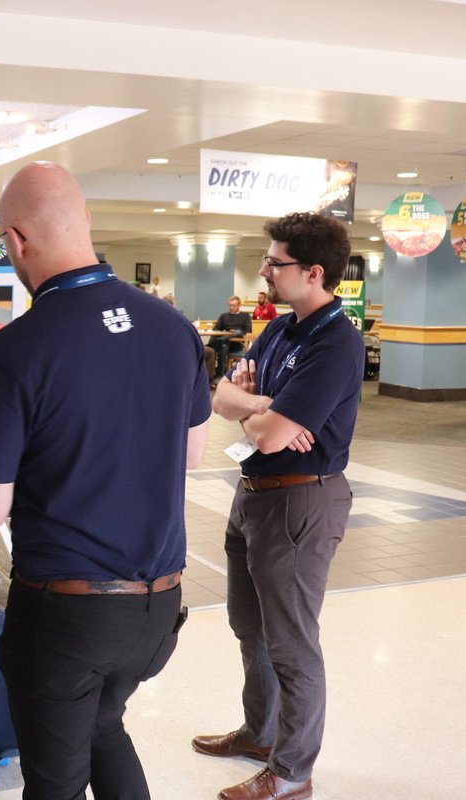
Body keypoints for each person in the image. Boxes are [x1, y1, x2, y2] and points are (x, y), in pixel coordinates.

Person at [0, 161, 210, 799]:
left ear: (15, 239)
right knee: (103, 729)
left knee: (55, 783)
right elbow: (194, 454)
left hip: (68, 613)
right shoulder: (173, 328)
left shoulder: (13, 352)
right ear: (86, 221)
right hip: (156, 606)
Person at [193, 212, 363, 800]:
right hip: (253, 496)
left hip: (300, 502)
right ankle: (259, 734)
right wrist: (268, 404)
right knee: (250, 628)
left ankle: (292, 772)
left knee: (291, 644)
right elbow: (222, 396)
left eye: (275, 262)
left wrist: (263, 413)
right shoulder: (280, 329)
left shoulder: (337, 342)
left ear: (314, 272)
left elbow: (267, 434)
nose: (265, 270)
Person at [206, 295, 253, 381]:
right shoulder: (224, 316)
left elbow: (248, 330)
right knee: (224, 345)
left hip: (237, 343)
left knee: (234, 334)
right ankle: (219, 375)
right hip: (225, 342)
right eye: (230, 305)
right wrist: (225, 331)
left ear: (239, 305)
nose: (231, 307)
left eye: (233, 305)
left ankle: (219, 375)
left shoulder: (245, 316)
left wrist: (235, 332)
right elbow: (216, 329)